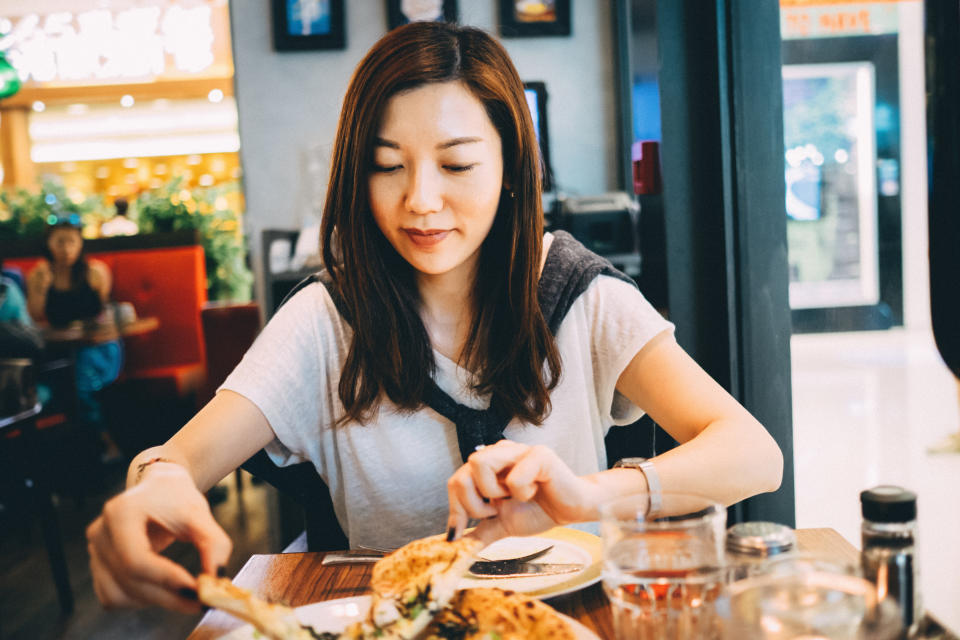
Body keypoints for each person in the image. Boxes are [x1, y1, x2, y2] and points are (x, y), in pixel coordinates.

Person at [86, 22, 783, 614]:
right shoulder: (328, 319)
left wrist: (588, 497)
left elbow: (753, 453)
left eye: (456, 165)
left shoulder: (575, 292)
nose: (420, 200)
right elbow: (176, 459)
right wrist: (158, 482)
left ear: (511, 166)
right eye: (388, 166)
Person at [26, 217, 123, 444]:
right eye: (60, 242)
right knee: (52, 379)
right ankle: (73, 446)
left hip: (99, 346)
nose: (66, 249)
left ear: (81, 244)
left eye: (72, 242)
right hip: (59, 349)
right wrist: (43, 286)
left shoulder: (96, 272)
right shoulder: (39, 275)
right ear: (48, 245)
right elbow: (33, 315)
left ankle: (102, 441)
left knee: (81, 378)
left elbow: (107, 316)